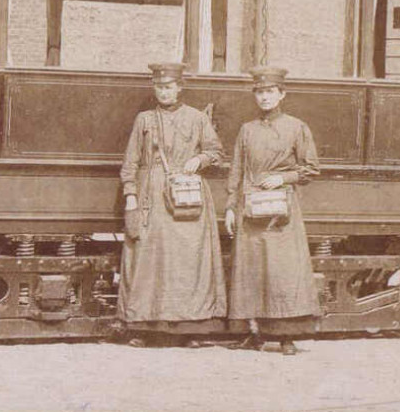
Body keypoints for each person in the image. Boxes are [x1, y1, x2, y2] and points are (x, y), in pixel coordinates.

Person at [118, 62, 227, 345]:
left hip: (187, 195)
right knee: (149, 259)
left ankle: (190, 329)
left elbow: (216, 152)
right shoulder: (144, 120)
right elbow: (131, 161)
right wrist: (130, 194)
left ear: (180, 88)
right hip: (151, 194)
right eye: (159, 87)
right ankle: (143, 328)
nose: (164, 92)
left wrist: (199, 160)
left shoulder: (197, 118)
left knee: (189, 260)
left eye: (169, 87)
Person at [225, 66, 320, 356]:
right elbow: (237, 170)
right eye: (260, 92)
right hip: (251, 208)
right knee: (253, 270)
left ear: (282, 94)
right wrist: (230, 207)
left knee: (282, 271)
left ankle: (286, 336)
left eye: (270, 92)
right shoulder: (247, 130)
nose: (264, 98)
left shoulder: (296, 127)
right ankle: (254, 331)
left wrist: (283, 178)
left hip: (281, 212)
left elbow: (311, 168)